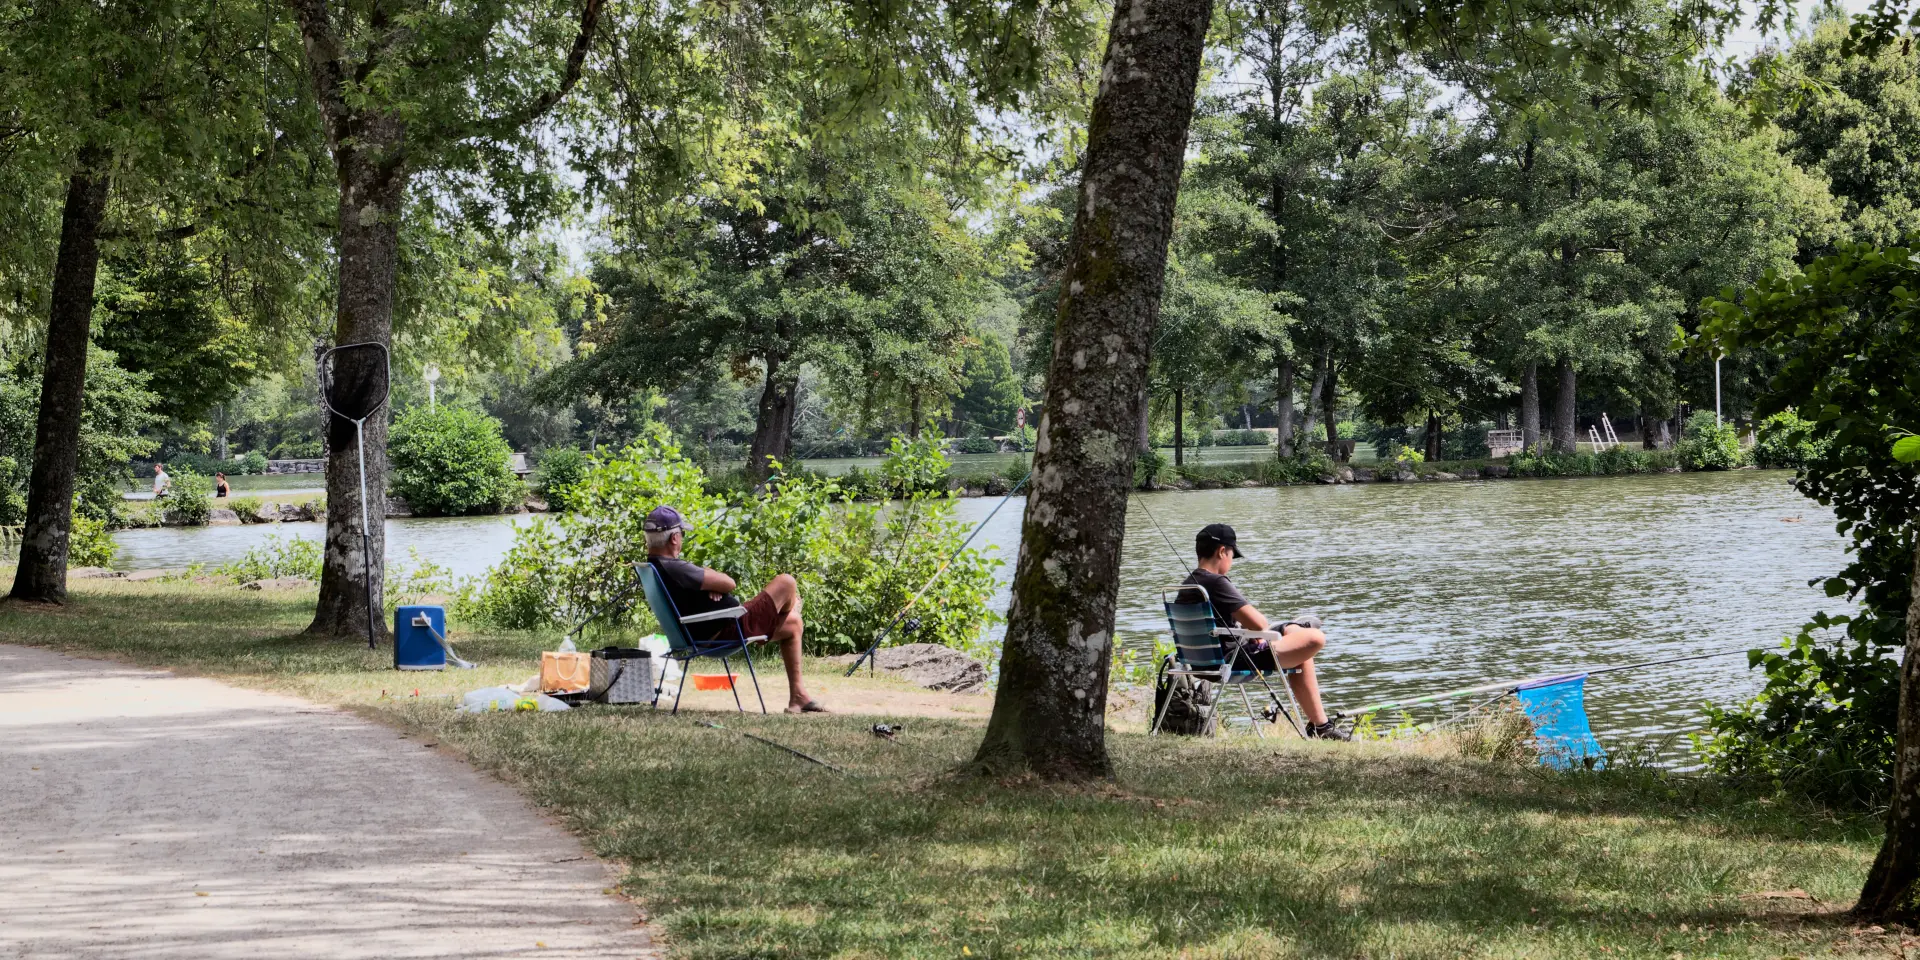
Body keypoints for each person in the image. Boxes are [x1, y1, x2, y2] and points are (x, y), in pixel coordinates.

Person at [642, 505, 828, 714]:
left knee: (793, 625)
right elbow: (729, 583)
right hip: (727, 629)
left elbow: (716, 583)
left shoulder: (654, 567)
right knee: (787, 582)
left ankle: (798, 697)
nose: (682, 539)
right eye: (682, 534)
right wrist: (715, 583)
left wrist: (710, 586)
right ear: (674, 538)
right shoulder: (676, 567)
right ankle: (791, 608)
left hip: (706, 631)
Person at [1180, 523, 1350, 741]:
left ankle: (1293, 630)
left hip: (1202, 662)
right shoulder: (1215, 582)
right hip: (1232, 660)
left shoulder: (1189, 584)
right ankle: (1320, 726)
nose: (1231, 561)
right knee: (1315, 639)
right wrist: (1259, 633)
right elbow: (1259, 624)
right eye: (1232, 555)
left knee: (1294, 640)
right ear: (1222, 551)